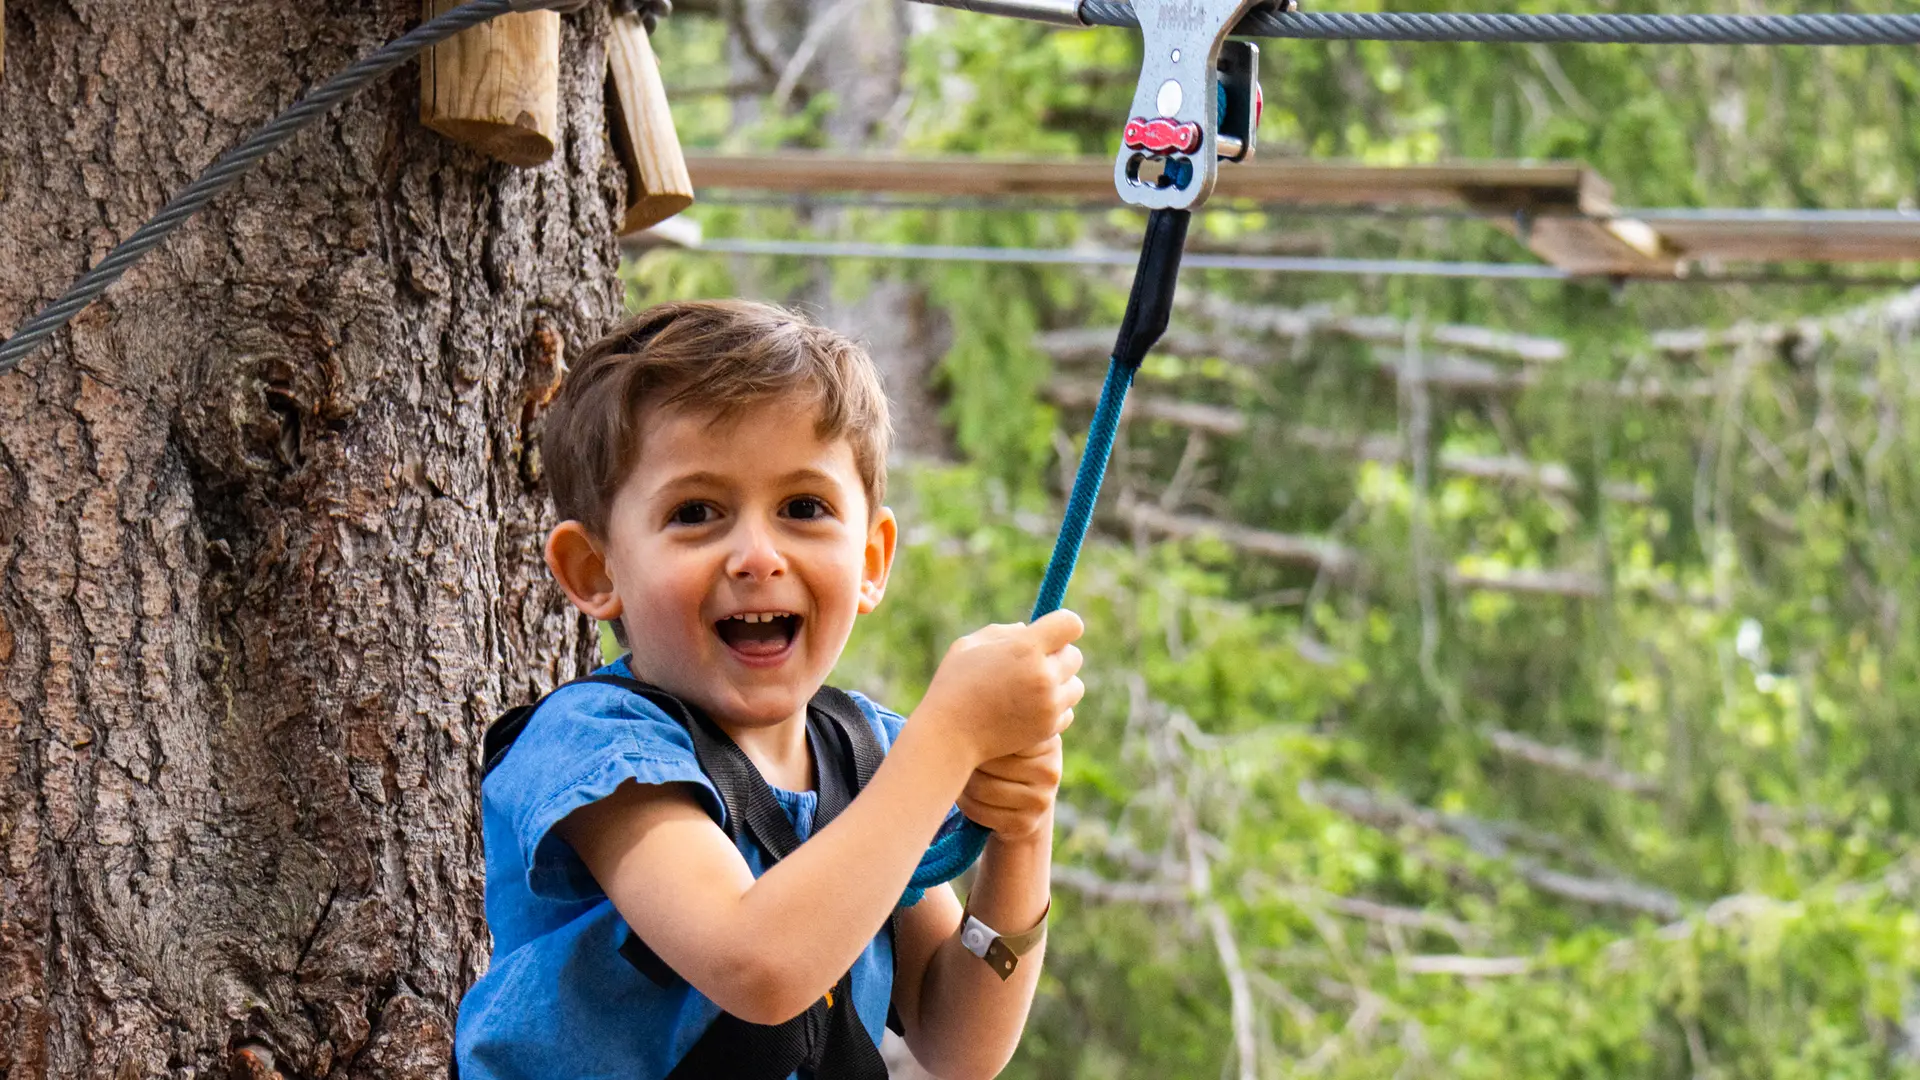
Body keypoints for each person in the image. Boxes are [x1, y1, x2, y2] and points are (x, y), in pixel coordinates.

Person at [454, 299, 1084, 1079]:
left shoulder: (868, 760)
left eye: (804, 508)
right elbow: (757, 965)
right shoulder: (598, 750)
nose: (758, 554)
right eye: (696, 512)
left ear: (871, 559)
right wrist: (951, 737)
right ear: (596, 570)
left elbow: (957, 1042)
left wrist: (1019, 827)